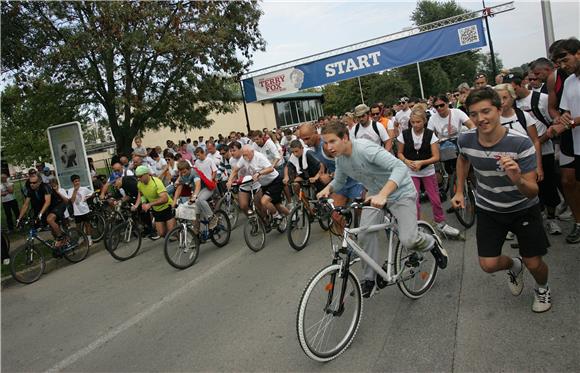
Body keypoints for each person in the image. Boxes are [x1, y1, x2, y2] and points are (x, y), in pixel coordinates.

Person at [317, 120, 448, 298]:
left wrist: (384, 194)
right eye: (325, 142)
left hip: (401, 192)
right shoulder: (340, 159)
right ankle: (370, 280)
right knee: (364, 234)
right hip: (375, 195)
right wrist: (328, 190)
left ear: (345, 137)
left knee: (409, 240)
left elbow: (399, 167)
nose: (328, 147)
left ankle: (432, 243)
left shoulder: (365, 149)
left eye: (332, 141)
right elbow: (339, 181)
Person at [451, 87, 552, 313]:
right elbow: (462, 159)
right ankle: (514, 265)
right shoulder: (466, 138)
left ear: (499, 109)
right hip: (489, 209)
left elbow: (532, 192)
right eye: (474, 114)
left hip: (523, 207)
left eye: (486, 111)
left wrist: (517, 179)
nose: (480, 119)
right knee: (488, 265)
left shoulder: (521, 144)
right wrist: (459, 190)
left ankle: (543, 287)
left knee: (534, 262)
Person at [494, 83, 561, 235]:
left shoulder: (523, 116)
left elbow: (535, 140)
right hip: (509, 165)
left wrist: (538, 165)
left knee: (545, 188)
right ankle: (518, 223)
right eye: (499, 99)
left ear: (513, 97)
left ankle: (551, 218)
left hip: (529, 162)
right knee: (516, 193)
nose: (502, 102)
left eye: (505, 97)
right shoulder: (495, 119)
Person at [397, 108, 460, 237]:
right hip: (411, 171)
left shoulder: (431, 135)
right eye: (413, 122)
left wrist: (422, 163)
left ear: (424, 122)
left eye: (418, 122)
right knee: (414, 200)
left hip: (427, 171)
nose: (415, 125)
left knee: (435, 199)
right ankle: (417, 225)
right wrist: (407, 161)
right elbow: (399, 153)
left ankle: (440, 223)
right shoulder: (404, 134)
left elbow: (436, 157)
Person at [17, 173, 68, 250]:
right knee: (52, 229)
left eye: (34, 182)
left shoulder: (45, 186)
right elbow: (25, 205)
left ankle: (60, 238)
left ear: (39, 182)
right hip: (48, 208)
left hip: (58, 204)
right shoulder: (31, 190)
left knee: (49, 219)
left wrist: (40, 214)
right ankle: (62, 241)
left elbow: (47, 202)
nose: (32, 184)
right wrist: (19, 219)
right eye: (30, 182)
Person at [133, 165, 175, 238]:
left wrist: (149, 204)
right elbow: (141, 194)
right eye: (137, 177)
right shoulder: (140, 184)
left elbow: (165, 199)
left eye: (140, 176)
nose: (139, 179)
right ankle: (169, 237)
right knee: (161, 233)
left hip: (167, 208)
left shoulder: (156, 182)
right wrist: (143, 203)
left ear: (147, 174)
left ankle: (182, 233)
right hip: (156, 210)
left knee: (172, 232)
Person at [67, 174, 94, 246]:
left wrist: (88, 197)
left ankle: (89, 239)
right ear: (72, 182)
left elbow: (92, 193)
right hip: (77, 212)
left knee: (87, 225)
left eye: (78, 181)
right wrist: (75, 190)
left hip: (85, 210)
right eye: (75, 181)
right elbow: (72, 201)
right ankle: (81, 237)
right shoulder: (70, 190)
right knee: (78, 227)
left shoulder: (84, 189)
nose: (77, 183)